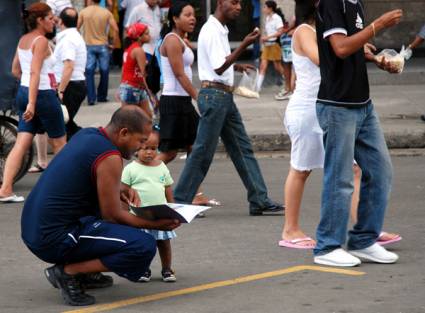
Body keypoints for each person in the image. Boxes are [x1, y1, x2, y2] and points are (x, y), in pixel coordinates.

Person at [21, 106, 181, 306]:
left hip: (33, 229)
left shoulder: (88, 134)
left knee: (109, 215)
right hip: (53, 238)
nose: (140, 148)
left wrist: (118, 188)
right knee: (143, 245)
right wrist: (156, 224)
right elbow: (112, 216)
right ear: (123, 133)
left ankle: (86, 270)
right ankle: (68, 272)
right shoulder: (110, 156)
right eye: (141, 141)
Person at [278, 0, 401, 249]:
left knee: (354, 169)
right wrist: (362, 41)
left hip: (333, 105)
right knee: (301, 169)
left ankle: (365, 229)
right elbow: (325, 59)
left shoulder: (329, 29)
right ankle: (289, 230)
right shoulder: (304, 31)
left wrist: (368, 54)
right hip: (307, 110)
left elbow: (341, 52)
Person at [313, 0, 403, 267]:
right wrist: (378, 26)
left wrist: (374, 58)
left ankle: (363, 240)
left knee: (381, 171)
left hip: (362, 104)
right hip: (337, 105)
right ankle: (327, 246)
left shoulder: (356, 3)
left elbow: (351, 46)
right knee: (340, 180)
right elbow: (339, 48)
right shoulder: (332, 2)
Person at [173, 0, 284, 216]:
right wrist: (244, 45)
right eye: (234, 2)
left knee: (242, 148)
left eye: (240, 3)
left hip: (223, 95)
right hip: (215, 96)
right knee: (203, 151)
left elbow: (221, 63)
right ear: (221, 2)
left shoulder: (220, 29)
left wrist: (237, 65)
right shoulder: (212, 29)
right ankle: (180, 201)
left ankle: (259, 199)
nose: (239, 7)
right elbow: (218, 65)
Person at [0, 3, 66, 202]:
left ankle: (5, 189)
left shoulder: (23, 40)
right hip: (42, 95)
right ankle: (65, 190)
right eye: (50, 18)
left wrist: (27, 93)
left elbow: (15, 70)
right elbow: (36, 72)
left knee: (21, 143)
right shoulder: (41, 41)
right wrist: (32, 102)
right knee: (60, 144)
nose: (53, 21)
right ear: (40, 20)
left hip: (25, 91)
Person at [122, 134, 177, 282]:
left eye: (154, 149)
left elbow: (167, 188)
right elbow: (123, 191)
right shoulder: (130, 169)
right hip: (139, 216)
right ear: (136, 150)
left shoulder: (161, 167)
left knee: (164, 243)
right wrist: (124, 212)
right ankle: (144, 269)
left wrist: (174, 209)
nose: (149, 152)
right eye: (145, 148)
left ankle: (167, 269)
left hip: (161, 214)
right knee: (142, 245)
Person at [78, 0, 119, 105]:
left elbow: (76, 28)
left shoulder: (84, 12)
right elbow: (116, 29)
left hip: (88, 45)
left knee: (89, 72)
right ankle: (102, 96)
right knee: (104, 71)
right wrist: (113, 44)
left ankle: (91, 98)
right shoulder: (106, 12)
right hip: (103, 45)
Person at [55, 7, 87, 140]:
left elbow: (69, 66)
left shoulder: (68, 39)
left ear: (60, 22)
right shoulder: (73, 36)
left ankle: (87, 141)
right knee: (66, 123)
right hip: (73, 85)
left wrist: (60, 90)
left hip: (70, 86)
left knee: (63, 125)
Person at [119, 22, 151, 114]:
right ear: (139, 37)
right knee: (132, 120)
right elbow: (143, 74)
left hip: (130, 86)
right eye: (146, 34)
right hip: (132, 88)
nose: (149, 36)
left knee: (147, 116)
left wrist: (120, 88)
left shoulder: (129, 48)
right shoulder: (138, 50)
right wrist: (150, 93)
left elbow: (123, 69)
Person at [256, 1, 285, 92]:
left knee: (278, 67)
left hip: (274, 45)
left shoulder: (277, 18)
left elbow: (280, 32)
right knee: (263, 66)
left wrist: (268, 37)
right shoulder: (267, 18)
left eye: (265, 7)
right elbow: (267, 31)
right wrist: (263, 38)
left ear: (270, 8)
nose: (263, 9)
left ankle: (288, 82)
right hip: (267, 45)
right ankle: (257, 87)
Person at [275, 15, 296, 100]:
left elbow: (294, 21)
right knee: (287, 68)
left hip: (294, 52)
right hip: (286, 52)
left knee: (295, 71)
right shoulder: (284, 30)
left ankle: (293, 90)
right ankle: (288, 89)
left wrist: (287, 30)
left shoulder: (297, 23)